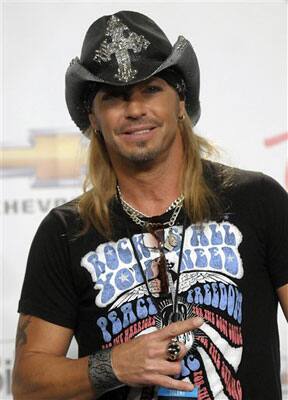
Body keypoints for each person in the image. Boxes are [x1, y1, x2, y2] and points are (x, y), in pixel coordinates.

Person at [12, 10, 288, 400]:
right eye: (114, 98)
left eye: (151, 90)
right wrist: (116, 365)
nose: (135, 109)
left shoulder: (258, 200)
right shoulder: (66, 231)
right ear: (94, 118)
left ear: (181, 101)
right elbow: (27, 385)